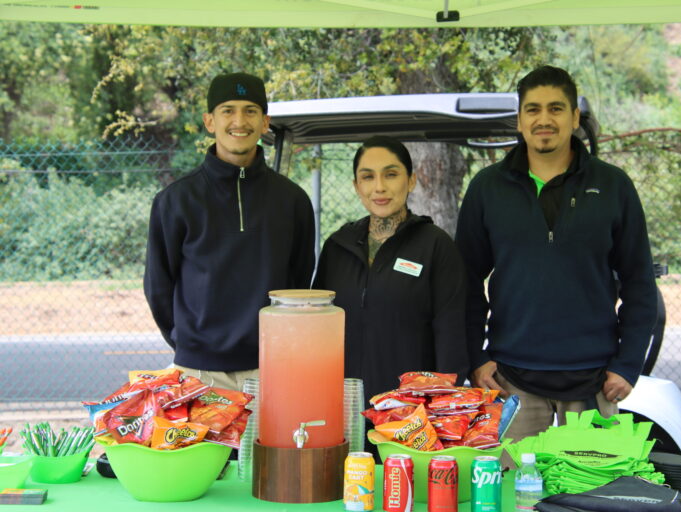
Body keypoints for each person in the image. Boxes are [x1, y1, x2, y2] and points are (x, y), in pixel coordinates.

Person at [455, 66, 658, 442]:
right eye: (532, 110)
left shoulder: (613, 186)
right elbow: (464, 282)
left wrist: (628, 365)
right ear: (519, 120)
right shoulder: (487, 188)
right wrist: (475, 358)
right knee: (511, 496)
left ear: (574, 117)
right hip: (511, 381)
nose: (544, 119)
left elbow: (639, 282)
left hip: (594, 382)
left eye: (556, 108)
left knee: (591, 497)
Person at [143, 72, 315, 393]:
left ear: (265, 122)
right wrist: (192, 344)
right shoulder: (175, 201)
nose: (240, 120)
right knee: (206, 448)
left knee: (268, 447)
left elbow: (299, 280)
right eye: (228, 110)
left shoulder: (292, 200)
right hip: (198, 371)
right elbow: (158, 287)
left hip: (272, 367)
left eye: (250, 110)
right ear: (210, 121)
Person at [312, 135, 469, 402]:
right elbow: (317, 328)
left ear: (411, 180)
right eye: (368, 177)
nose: (380, 187)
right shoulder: (338, 246)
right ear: (356, 185)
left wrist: (441, 405)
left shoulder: (435, 246)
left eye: (391, 174)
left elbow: (451, 335)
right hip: (343, 406)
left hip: (408, 413)